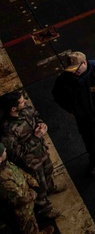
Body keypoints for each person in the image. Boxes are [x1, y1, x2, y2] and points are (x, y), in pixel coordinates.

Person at [51, 51, 95, 176]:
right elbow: (57, 95)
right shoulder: (65, 78)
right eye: (70, 70)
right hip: (83, 115)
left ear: (84, 63)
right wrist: (72, 109)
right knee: (88, 139)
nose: (74, 72)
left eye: (75, 69)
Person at [0, 91, 59, 219]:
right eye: (22, 101)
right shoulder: (8, 130)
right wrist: (35, 137)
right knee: (39, 185)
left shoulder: (25, 109)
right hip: (31, 162)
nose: (25, 102)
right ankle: (44, 209)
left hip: (41, 151)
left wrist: (40, 123)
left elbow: (35, 114)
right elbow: (15, 154)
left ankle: (51, 188)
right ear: (13, 109)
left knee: (49, 170)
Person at [0, 143, 54, 234]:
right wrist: (33, 193)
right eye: (3, 151)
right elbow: (19, 199)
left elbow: (19, 171)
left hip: (28, 204)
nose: (5, 149)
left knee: (32, 223)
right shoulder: (3, 181)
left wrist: (32, 182)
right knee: (27, 229)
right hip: (21, 211)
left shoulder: (5, 164)